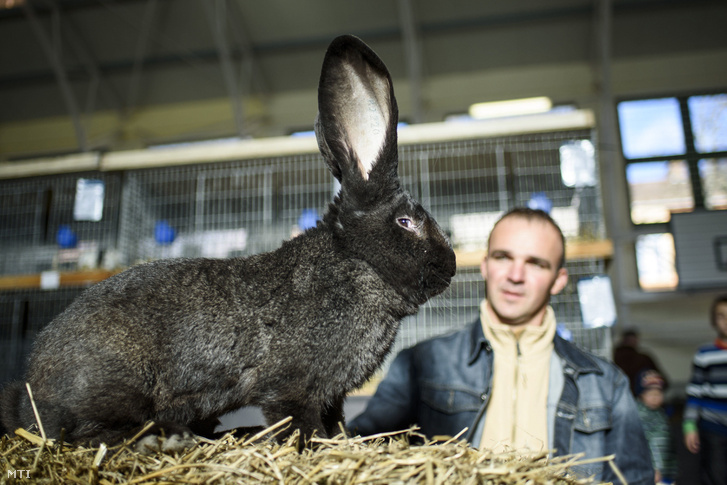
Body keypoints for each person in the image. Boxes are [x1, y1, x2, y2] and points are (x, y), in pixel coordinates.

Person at [348, 207, 654, 484]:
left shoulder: (603, 383)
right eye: (503, 257)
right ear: (485, 265)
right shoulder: (422, 363)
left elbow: (634, 478)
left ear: (559, 280)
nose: (515, 276)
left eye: (535, 263)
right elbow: (358, 451)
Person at [683, 294, 727, 485]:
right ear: (713, 321)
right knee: (715, 474)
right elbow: (694, 393)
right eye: (721, 316)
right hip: (713, 426)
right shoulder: (704, 354)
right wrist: (689, 426)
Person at [635, 369, 676, 483]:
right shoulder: (642, 415)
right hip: (651, 469)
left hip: (657, 468)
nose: (655, 397)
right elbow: (657, 443)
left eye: (658, 393)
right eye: (650, 394)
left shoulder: (659, 414)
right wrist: (656, 468)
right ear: (641, 395)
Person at [614, 328, 669, 396]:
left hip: (618, 396)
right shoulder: (643, 359)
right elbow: (664, 381)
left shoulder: (612, 358)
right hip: (640, 397)